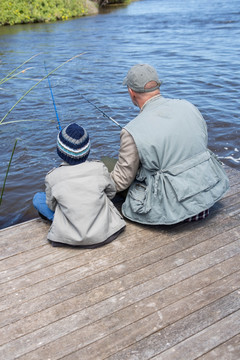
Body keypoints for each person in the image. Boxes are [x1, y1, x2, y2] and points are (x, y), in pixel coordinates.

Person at [110, 64, 229, 225]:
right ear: (158, 86)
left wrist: (96, 185)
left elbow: (121, 181)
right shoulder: (189, 106)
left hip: (172, 210)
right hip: (207, 195)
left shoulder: (130, 131)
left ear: (131, 92)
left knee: (108, 166)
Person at [33, 123, 125, 247]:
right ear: (87, 150)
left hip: (69, 237)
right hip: (106, 234)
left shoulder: (52, 177)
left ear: (60, 151)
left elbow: (52, 206)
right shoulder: (99, 168)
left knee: (38, 198)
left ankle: (63, 226)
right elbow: (111, 192)